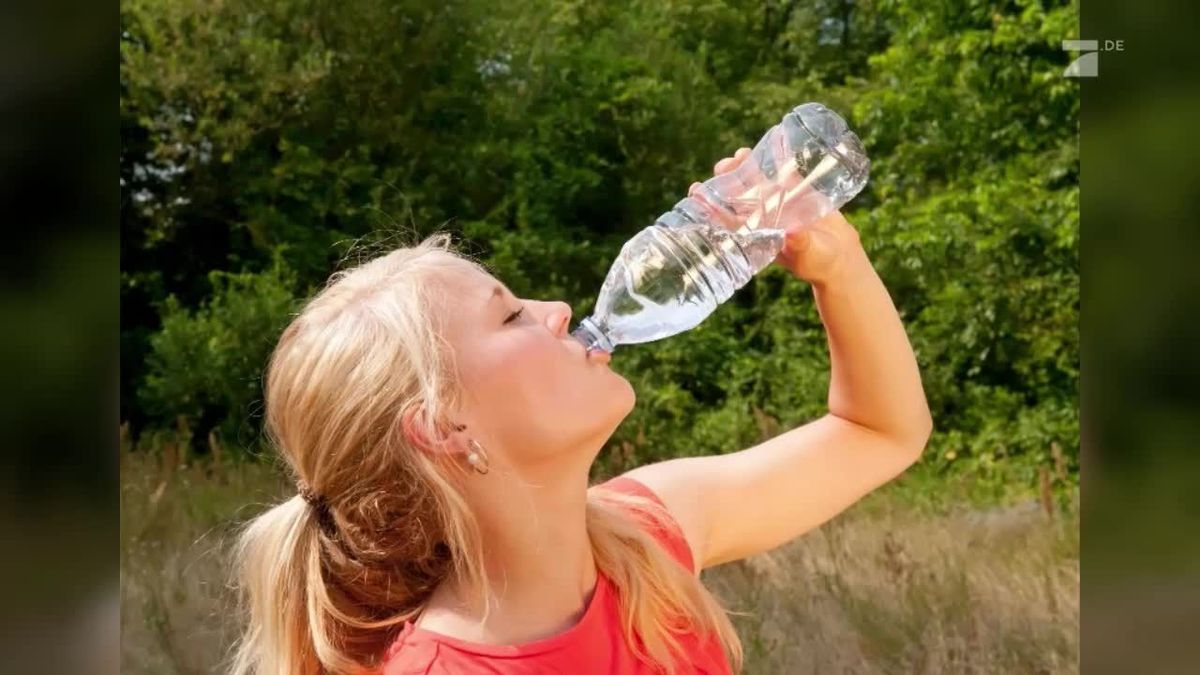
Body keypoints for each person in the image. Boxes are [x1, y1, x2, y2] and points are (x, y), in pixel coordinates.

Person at [229, 148, 933, 674]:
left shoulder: (644, 536)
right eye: (509, 316)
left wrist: (840, 267)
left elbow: (880, 431)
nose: (559, 310)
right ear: (444, 425)